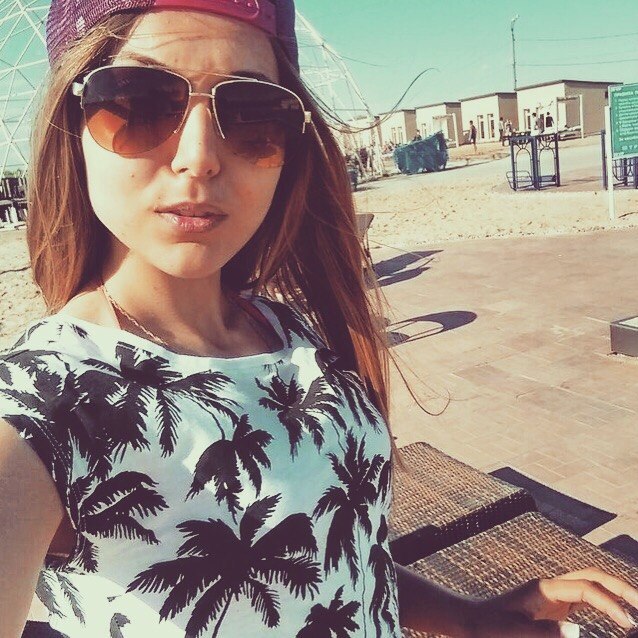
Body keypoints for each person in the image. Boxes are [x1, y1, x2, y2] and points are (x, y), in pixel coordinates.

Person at [1, 1, 637, 637]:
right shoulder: (47, 404)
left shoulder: (281, 331)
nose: (200, 157)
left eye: (253, 115)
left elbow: (333, 560)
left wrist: (468, 618)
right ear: (70, 125)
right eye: (139, 103)